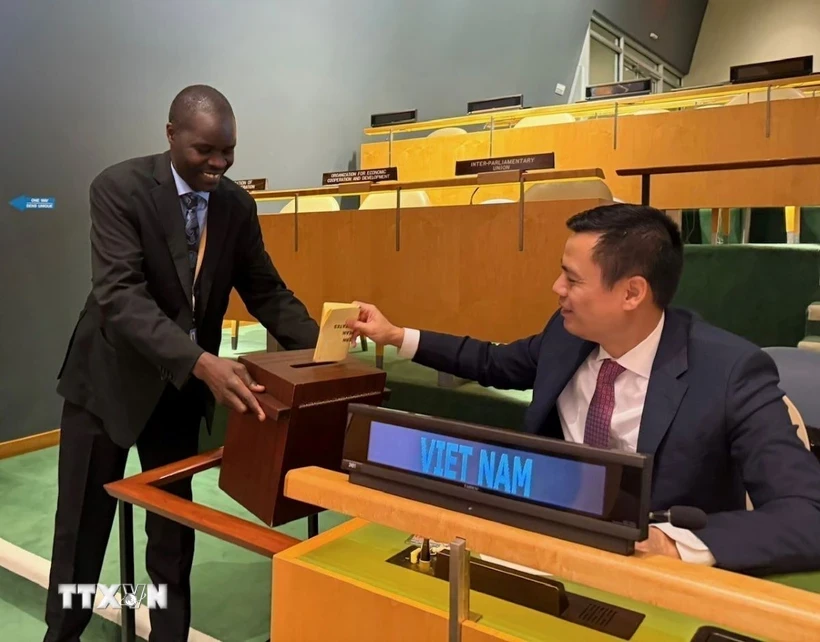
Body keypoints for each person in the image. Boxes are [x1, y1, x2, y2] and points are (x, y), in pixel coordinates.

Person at [348, 203, 820, 577]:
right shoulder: (566, 334)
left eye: (572, 279)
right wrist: (397, 336)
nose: (556, 288)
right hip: (551, 547)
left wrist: (673, 545)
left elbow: (807, 514)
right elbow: (492, 362)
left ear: (632, 292)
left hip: (652, 577)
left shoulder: (730, 372)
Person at [45, 85, 318, 641]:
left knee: (172, 530)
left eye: (228, 151)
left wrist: (323, 351)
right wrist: (201, 362)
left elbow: (267, 292)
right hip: (106, 384)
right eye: (204, 151)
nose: (219, 163)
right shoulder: (118, 188)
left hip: (177, 392)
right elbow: (120, 295)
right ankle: (65, 632)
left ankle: (169, 633)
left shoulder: (236, 206)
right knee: (82, 529)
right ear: (171, 136)